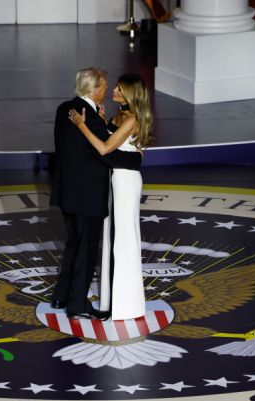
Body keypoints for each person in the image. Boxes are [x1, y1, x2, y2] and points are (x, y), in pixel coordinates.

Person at [50, 68, 140, 320]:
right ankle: (77, 303)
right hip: (87, 193)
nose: (108, 90)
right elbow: (106, 153)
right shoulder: (87, 116)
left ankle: (61, 295)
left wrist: (99, 122)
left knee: (74, 243)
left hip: (67, 190)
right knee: (86, 249)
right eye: (106, 86)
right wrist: (136, 159)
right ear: (96, 89)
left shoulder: (64, 108)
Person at [68, 73, 152, 320]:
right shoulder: (119, 117)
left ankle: (126, 305)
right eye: (114, 86)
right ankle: (112, 302)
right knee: (112, 239)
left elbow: (105, 149)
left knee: (122, 239)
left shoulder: (132, 119)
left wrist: (82, 124)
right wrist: (103, 122)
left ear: (130, 94)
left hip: (125, 183)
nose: (114, 90)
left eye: (119, 88)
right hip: (115, 180)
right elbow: (115, 146)